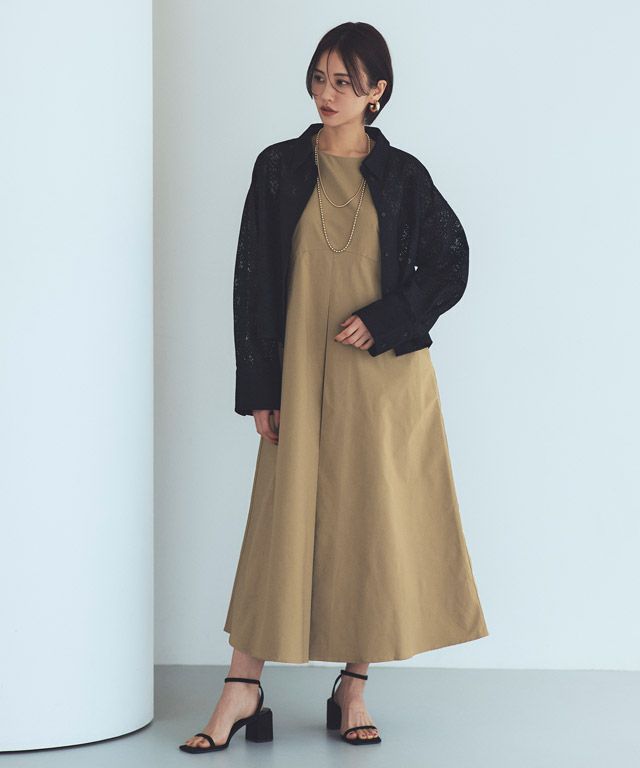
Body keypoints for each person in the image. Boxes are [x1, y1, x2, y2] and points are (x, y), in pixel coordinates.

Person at [180, 21, 489, 754]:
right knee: (278, 522)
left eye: (344, 82)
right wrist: (260, 386)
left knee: (370, 526)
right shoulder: (279, 168)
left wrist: (388, 318)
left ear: (377, 91)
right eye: (320, 77)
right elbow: (252, 283)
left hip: (382, 381)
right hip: (299, 375)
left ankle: (354, 685)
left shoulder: (403, 175)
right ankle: (242, 685)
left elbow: (453, 261)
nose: (327, 93)